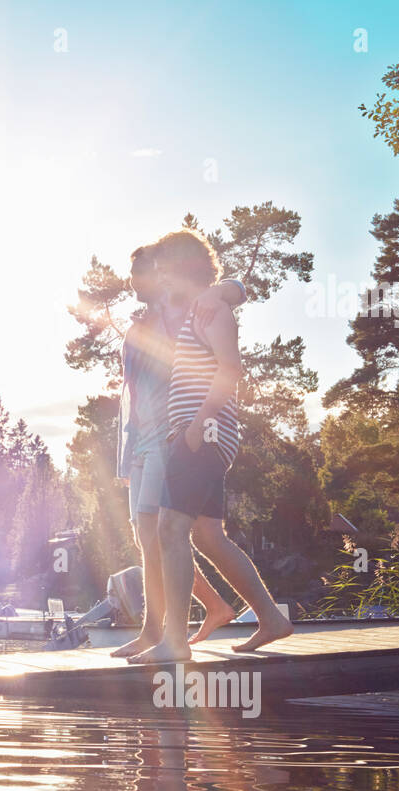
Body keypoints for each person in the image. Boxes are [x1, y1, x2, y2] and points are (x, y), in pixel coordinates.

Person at [129, 229, 294, 663]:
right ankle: (271, 619)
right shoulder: (196, 311)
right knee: (208, 535)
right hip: (197, 434)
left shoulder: (211, 309)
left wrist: (196, 425)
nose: (160, 276)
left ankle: (175, 643)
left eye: (165, 267)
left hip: (203, 434)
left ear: (182, 266)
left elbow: (231, 370)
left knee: (169, 529)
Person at [110, 244, 243, 659]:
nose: (133, 282)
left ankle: (167, 632)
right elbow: (130, 393)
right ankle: (171, 624)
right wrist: (127, 448)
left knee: (164, 534)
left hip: (173, 434)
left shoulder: (183, 310)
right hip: (140, 440)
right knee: (145, 536)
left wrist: (223, 290)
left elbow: (235, 289)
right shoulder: (138, 326)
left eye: (140, 273)